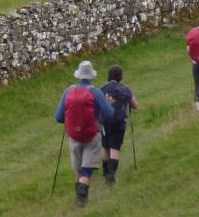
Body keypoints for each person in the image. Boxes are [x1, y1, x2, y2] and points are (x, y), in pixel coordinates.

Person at [54, 61, 115, 206]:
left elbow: (58, 117)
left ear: (79, 76)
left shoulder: (68, 92)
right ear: (91, 76)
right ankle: (81, 200)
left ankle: (78, 197)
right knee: (86, 169)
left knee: (78, 167)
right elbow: (109, 114)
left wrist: (72, 119)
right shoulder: (95, 92)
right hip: (92, 135)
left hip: (74, 137)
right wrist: (110, 104)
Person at [99, 65, 138, 186]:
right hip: (119, 123)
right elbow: (135, 106)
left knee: (105, 147)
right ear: (121, 76)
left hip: (105, 122)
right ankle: (111, 175)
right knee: (115, 148)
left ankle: (105, 171)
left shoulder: (102, 88)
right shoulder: (125, 89)